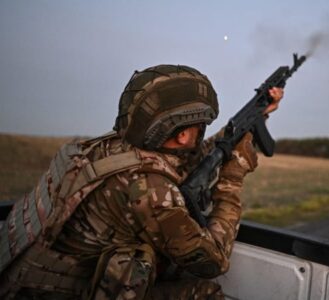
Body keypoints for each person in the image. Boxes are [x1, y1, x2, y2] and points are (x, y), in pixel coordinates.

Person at [0, 64, 283, 299]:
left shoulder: (108, 149)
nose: (202, 131)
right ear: (182, 135)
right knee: (205, 293)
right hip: (61, 293)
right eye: (200, 125)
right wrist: (232, 178)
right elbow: (213, 261)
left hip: (22, 278)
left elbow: (191, 157)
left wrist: (256, 116)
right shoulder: (151, 192)